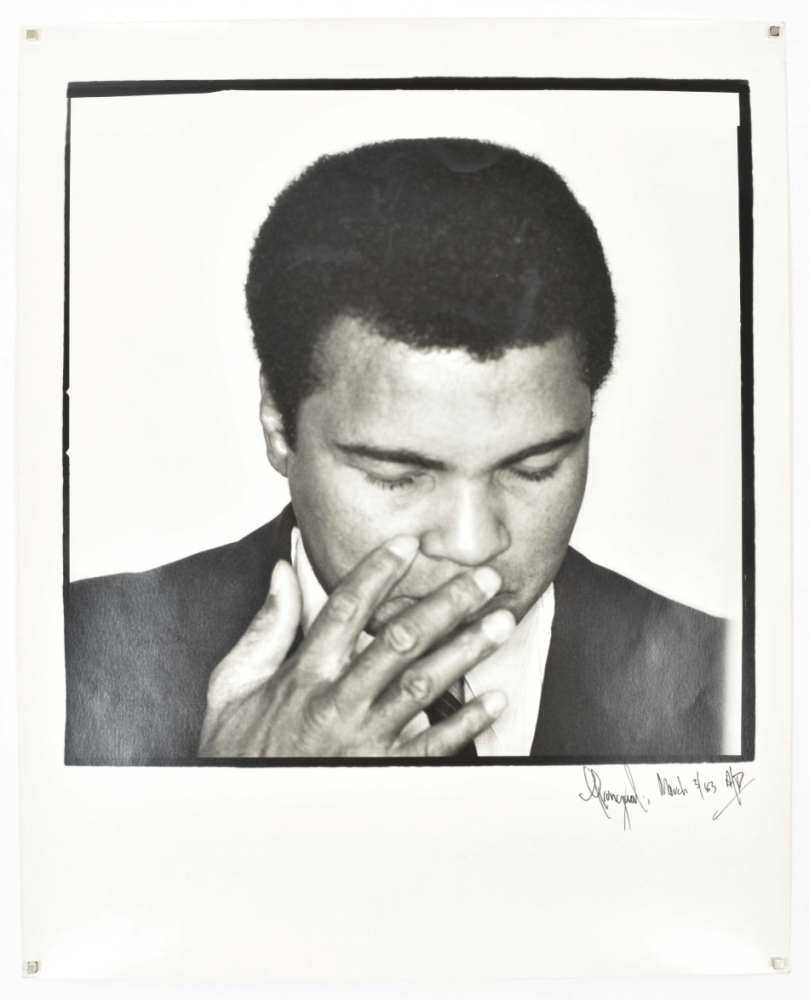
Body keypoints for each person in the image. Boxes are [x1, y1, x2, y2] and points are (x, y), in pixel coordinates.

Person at [65, 137, 727, 765]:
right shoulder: (67, 660)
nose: (472, 545)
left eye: (534, 468)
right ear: (277, 424)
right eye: (397, 476)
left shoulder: (735, 681)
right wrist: (234, 809)